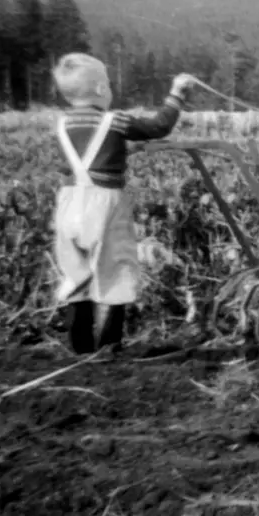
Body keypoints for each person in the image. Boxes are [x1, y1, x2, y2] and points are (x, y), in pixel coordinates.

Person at [50, 52, 198, 354]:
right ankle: (109, 347)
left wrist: (125, 152)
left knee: (76, 275)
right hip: (105, 204)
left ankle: (78, 350)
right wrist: (177, 94)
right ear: (101, 90)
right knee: (115, 269)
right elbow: (159, 126)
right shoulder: (114, 120)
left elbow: (81, 164)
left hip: (69, 204)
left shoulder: (63, 124)